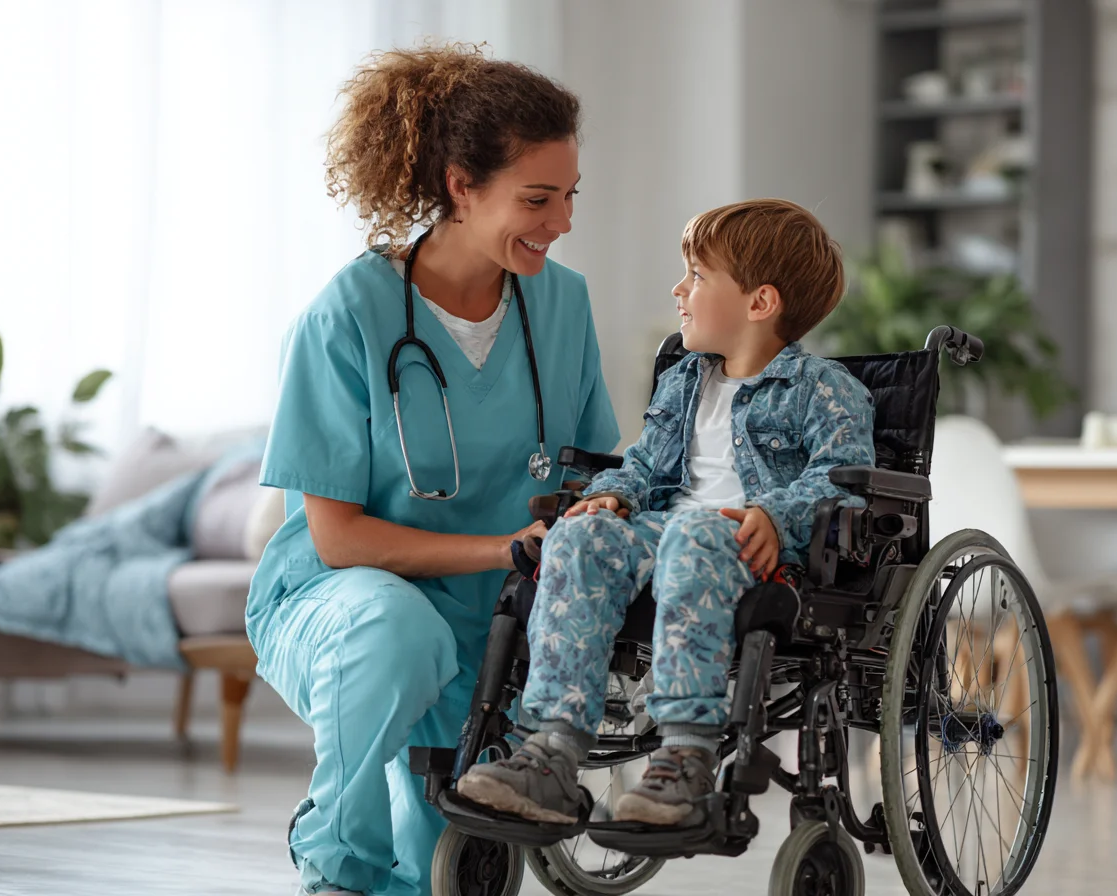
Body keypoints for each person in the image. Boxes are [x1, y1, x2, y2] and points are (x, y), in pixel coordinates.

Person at [246, 43, 619, 896]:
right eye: (536, 199)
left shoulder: (563, 303)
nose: (560, 221)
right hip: (344, 600)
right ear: (461, 185)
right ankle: (334, 856)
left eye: (569, 197)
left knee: (445, 876)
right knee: (395, 634)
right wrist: (501, 548)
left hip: (490, 621)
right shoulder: (348, 315)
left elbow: (596, 466)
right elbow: (339, 539)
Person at [457, 198, 876, 827]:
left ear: (760, 303)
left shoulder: (824, 389)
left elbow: (842, 480)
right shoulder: (684, 381)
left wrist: (772, 512)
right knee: (581, 537)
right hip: (668, 530)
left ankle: (685, 757)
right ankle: (550, 751)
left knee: (696, 533)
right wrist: (615, 494)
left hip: (750, 548)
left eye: (699, 277)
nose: (679, 289)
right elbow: (646, 464)